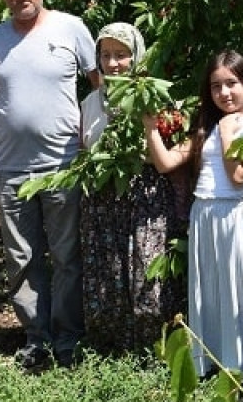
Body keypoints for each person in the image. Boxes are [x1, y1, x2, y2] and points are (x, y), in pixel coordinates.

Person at [143, 50, 243, 402]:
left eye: (232, 84)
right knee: (214, 292)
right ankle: (224, 368)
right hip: (206, 218)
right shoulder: (206, 129)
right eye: (216, 86)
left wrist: (228, 132)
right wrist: (149, 127)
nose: (224, 93)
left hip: (238, 219)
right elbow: (165, 162)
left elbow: (240, 177)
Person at [0, 0, 100, 369]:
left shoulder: (71, 28)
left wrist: (98, 137)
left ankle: (67, 342)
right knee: (22, 258)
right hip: (11, 169)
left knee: (65, 257)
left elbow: (102, 86)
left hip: (63, 164)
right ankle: (36, 340)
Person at [80, 22, 188, 353]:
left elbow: (171, 149)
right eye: (106, 55)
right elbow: (85, 148)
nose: (113, 63)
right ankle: (114, 351)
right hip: (103, 199)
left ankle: (156, 349)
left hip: (146, 197)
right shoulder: (89, 102)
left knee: (148, 274)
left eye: (122, 55)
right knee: (108, 273)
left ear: (136, 57)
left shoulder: (155, 98)